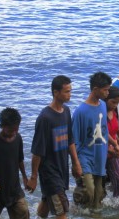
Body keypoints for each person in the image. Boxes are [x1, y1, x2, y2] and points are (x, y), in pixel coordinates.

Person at [27, 75, 82, 219]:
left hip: (61, 168)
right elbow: (37, 151)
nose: (70, 94)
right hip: (49, 172)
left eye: (70, 91)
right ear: (56, 92)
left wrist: (76, 163)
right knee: (62, 210)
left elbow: (70, 140)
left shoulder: (66, 111)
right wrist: (33, 177)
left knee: (47, 202)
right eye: (66, 91)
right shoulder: (45, 118)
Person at [72, 72, 111, 212]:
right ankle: (75, 208)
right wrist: (75, 163)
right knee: (88, 190)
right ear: (95, 90)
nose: (108, 93)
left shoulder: (103, 106)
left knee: (98, 195)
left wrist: (113, 145)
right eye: (105, 89)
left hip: (100, 156)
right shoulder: (80, 112)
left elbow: (104, 131)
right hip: (85, 157)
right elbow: (74, 141)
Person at [0, 107, 30, 219]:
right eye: (10, 130)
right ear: (2, 126)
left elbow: (20, 159)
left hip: (14, 190)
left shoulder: (18, 138)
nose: (14, 133)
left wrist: (25, 177)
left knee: (23, 212)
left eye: (16, 129)